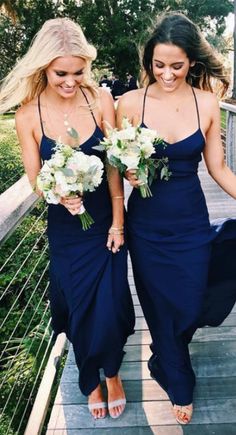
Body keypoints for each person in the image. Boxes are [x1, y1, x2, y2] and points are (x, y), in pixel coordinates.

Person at [0, 18, 135, 420]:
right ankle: (90, 378)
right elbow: (36, 180)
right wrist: (59, 192)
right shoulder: (28, 115)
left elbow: (114, 166)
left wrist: (117, 221)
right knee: (78, 306)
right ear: (43, 67)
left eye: (78, 72)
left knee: (111, 305)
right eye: (62, 73)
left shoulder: (99, 100)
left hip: (105, 221)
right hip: (65, 227)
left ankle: (111, 372)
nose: (71, 81)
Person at [117, 12, 236, 425]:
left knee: (187, 303)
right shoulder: (130, 103)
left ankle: (165, 356)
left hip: (190, 222)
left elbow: (219, 169)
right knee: (159, 306)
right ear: (149, 61)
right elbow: (117, 169)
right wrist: (129, 173)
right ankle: (178, 381)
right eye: (158, 65)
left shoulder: (206, 103)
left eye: (177, 65)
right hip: (146, 225)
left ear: (192, 62)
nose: (167, 74)